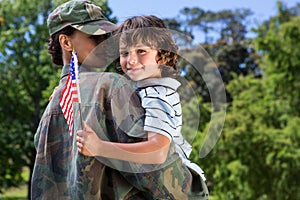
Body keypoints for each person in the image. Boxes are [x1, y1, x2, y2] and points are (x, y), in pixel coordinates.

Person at [76, 15, 209, 199]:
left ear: (162, 55)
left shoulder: (159, 94)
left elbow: (158, 151)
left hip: (176, 188)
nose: (131, 60)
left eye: (141, 51)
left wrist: (100, 148)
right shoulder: (138, 89)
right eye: (124, 53)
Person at [31, 1, 148, 199]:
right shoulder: (110, 85)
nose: (104, 42)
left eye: (106, 35)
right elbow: (150, 170)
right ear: (66, 43)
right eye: (94, 36)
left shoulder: (52, 105)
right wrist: (194, 186)